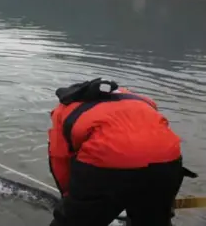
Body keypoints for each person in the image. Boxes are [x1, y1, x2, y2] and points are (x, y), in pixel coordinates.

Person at [47, 77, 197, 226]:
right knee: (154, 220)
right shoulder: (140, 99)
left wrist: (70, 198)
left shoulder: (62, 110)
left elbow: (59, 159)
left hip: (106, 164)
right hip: (167, 162)